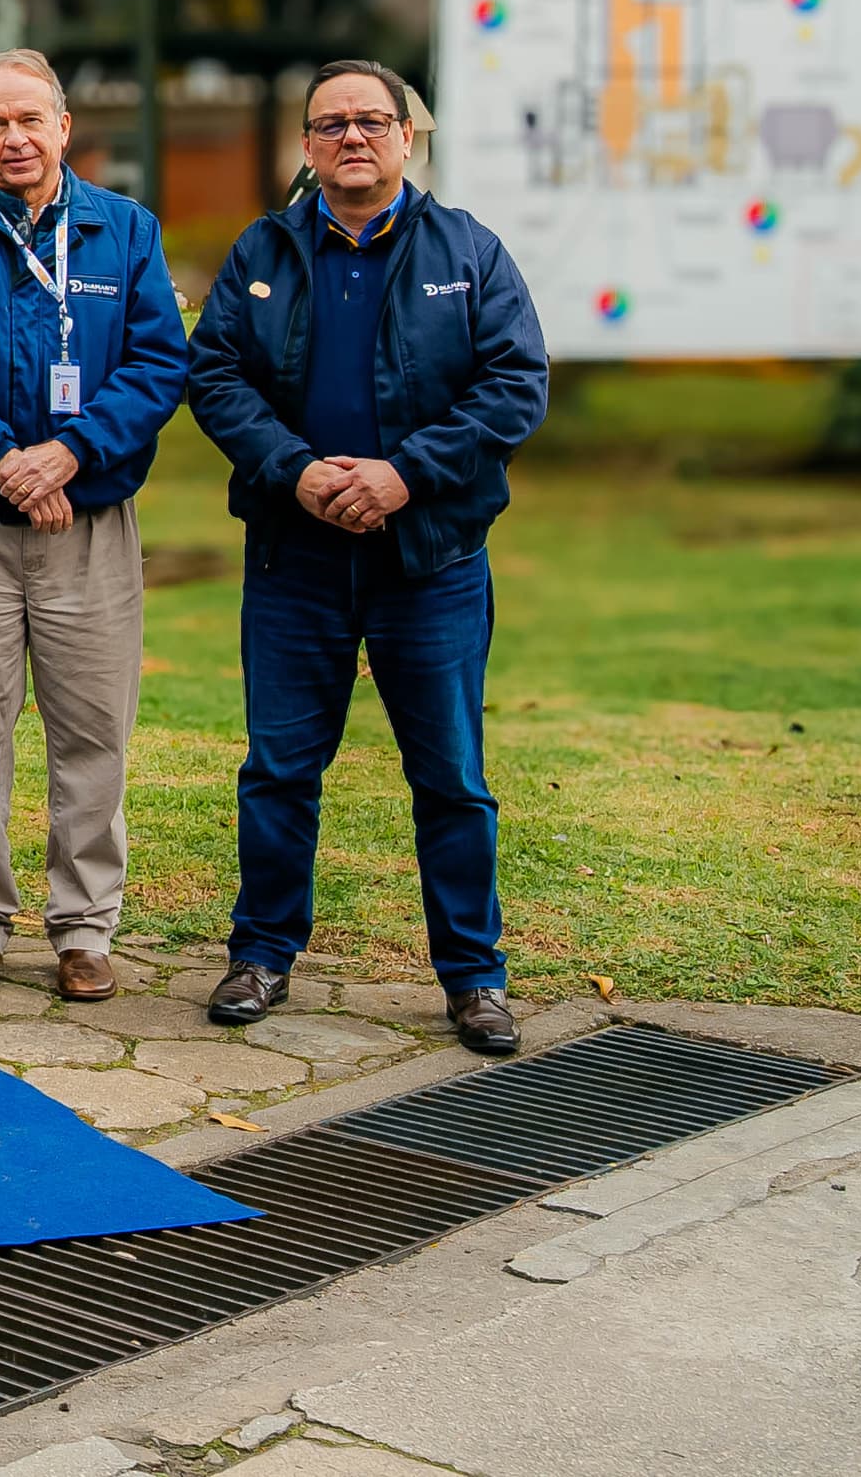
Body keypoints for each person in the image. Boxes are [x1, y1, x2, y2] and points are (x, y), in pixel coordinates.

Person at [187, 58, 550, 1055]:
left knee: (451, 779)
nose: (352, 137)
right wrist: (294, 471)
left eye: (371, 121)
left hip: (428, 560)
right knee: (279, 769)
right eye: (331, 124)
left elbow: (516, 386)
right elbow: (215, 377)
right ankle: (261, 955)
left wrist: (405, 476)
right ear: (307, 146)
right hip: (294, 562)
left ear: (406, 137)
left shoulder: (468, 253)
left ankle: (474, 979)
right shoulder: (263, 251)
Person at [0, 49, 190, 1004]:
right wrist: (6, 458)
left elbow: (157, 363)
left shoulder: (124, 232)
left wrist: (72, 452)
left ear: (63, 128)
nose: (13, 139)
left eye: (29, 120)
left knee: (93, 729)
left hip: (89, 519)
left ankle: (84, 926)